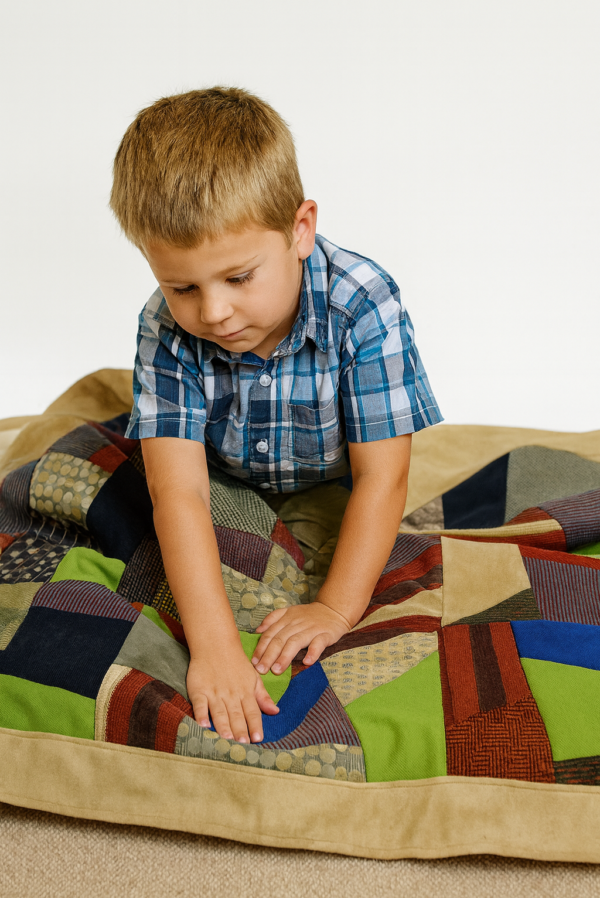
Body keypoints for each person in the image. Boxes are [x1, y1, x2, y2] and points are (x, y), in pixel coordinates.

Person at [110, 86, 442, 746]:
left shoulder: (363, 303)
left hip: (335, 480)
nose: (213, 313)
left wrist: (334, 608)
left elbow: (383, 478)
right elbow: (178, 492)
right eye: (183, 287)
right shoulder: (164, 326)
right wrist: (214, 648)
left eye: (238, 278)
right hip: (225, 480)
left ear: (300, 229)